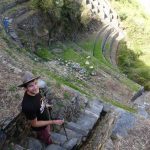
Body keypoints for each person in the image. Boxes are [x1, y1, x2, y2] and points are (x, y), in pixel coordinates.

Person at [18, 71, 64, 145]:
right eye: (31, 86)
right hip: (41, 128)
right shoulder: (28, 106)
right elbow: (34, 124)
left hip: (46, 120)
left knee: (48, 132)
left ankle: (47, 137)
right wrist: (53, 122)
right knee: (46, 137)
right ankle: (48, 143)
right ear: (25, 88)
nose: (35, 87)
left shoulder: (35, 92)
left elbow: (39, 100)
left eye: (36, 83)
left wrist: (45, 105)